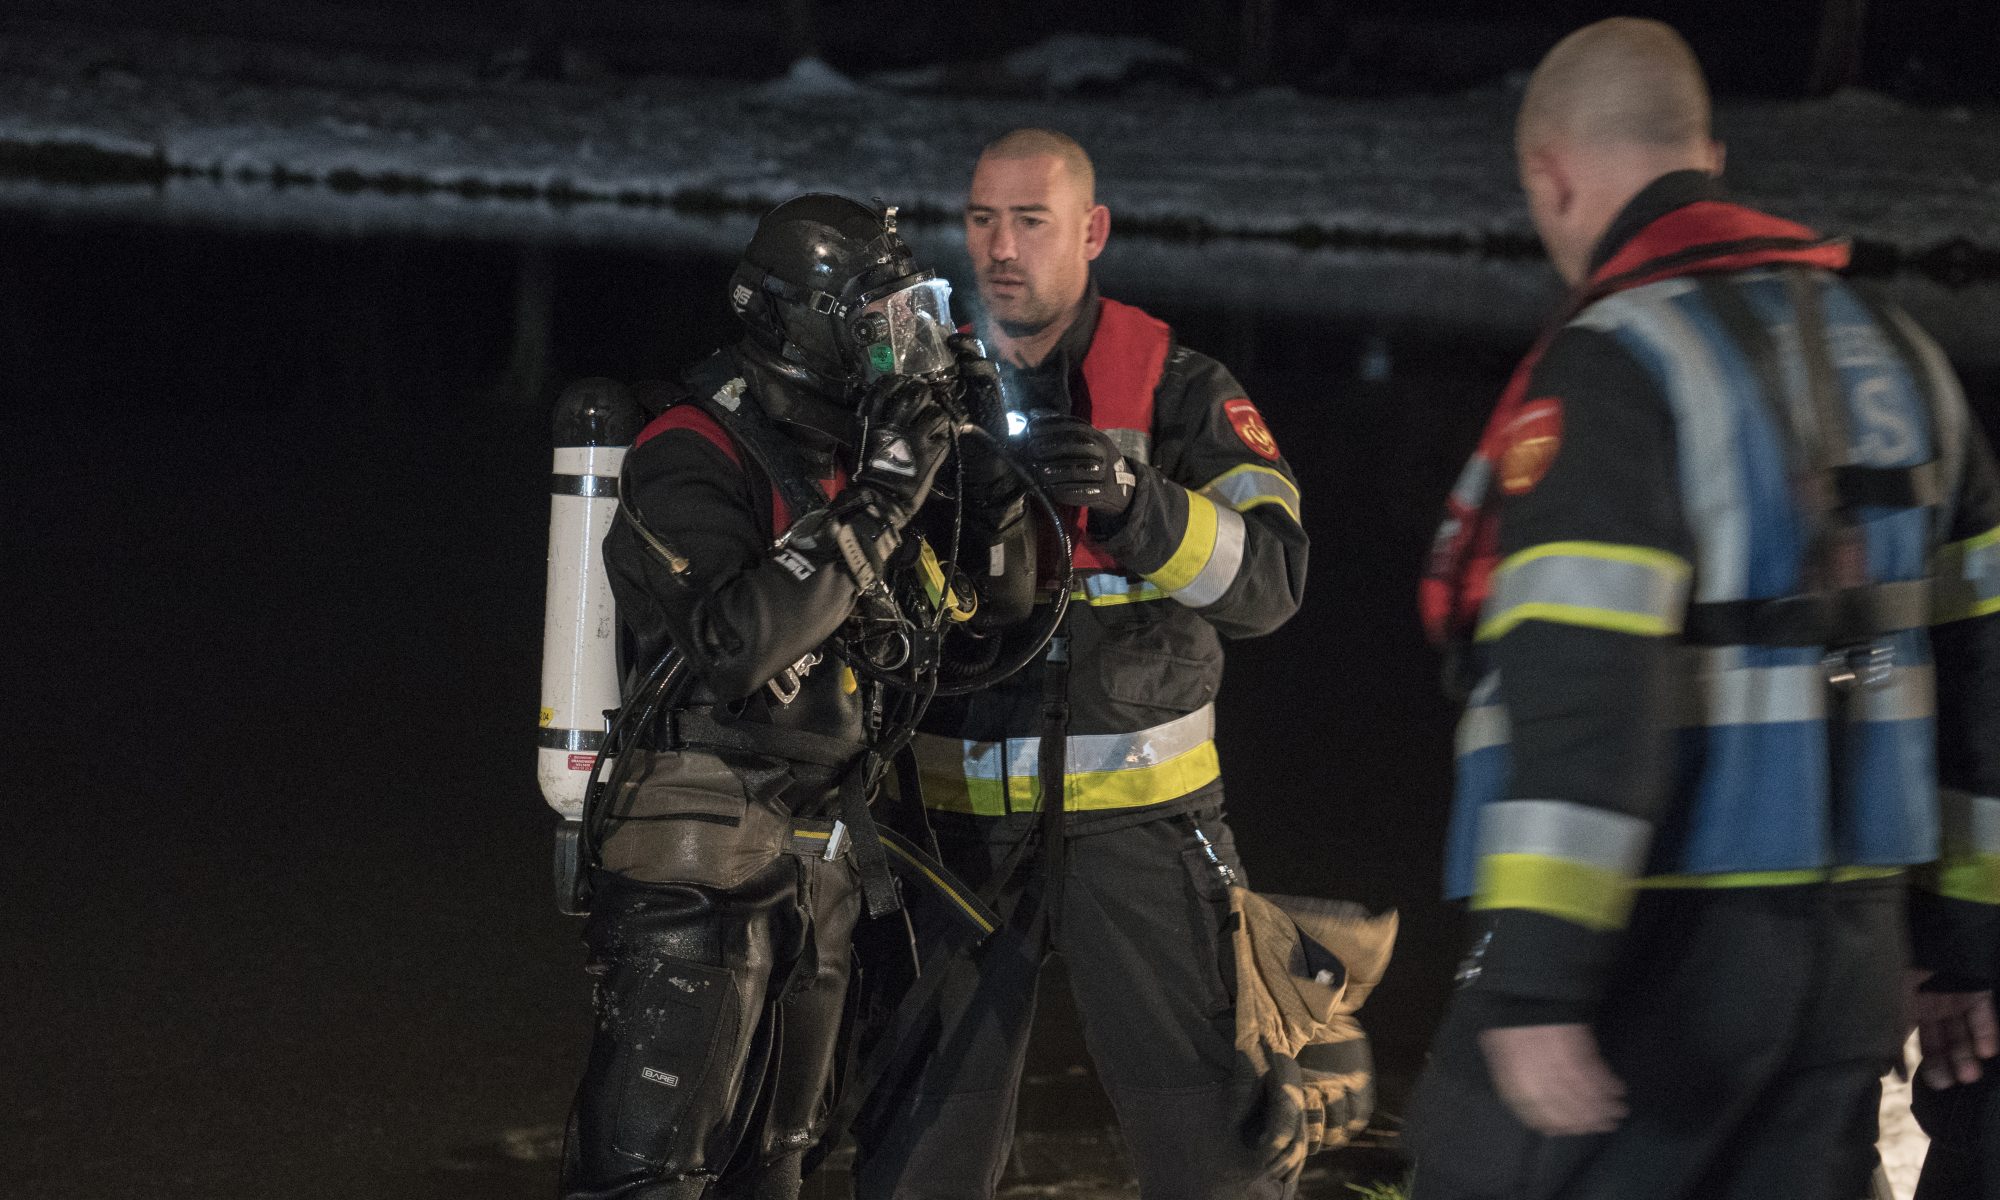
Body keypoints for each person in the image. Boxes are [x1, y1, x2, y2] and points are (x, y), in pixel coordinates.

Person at [1408, 18, 2000, 1200]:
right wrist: (1960, 953)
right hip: (1850, 949)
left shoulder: (1618, 363)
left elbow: (1583, 685)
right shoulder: (1900, 355)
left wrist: (1535, 982)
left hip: (1660, 951)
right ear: (1708, 160)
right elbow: (1980, 684)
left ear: (1549, 171)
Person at [853, 128, 1311, 1200]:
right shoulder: (912, 390)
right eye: (980, 219)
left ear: (1092, 233)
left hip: (1143, 832)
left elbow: (1273, 583)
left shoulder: (1185, 393)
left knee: (1214, 1159)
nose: (998, 247)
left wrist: (1135, 503)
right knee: (915, 1163)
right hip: (948, 834)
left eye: (1030, 221)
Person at [559, 193, 1014, 1200]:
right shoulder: (687, 449)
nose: (902, 344)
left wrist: (978, 471)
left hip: (820, 858)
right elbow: (733, 642)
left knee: (779, 1163)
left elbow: (999, 613)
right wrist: (887, 494)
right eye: (876, 319)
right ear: (785, 320)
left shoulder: (854, 463)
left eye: (915, 311)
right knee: (652, 1173)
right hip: (697, 857)